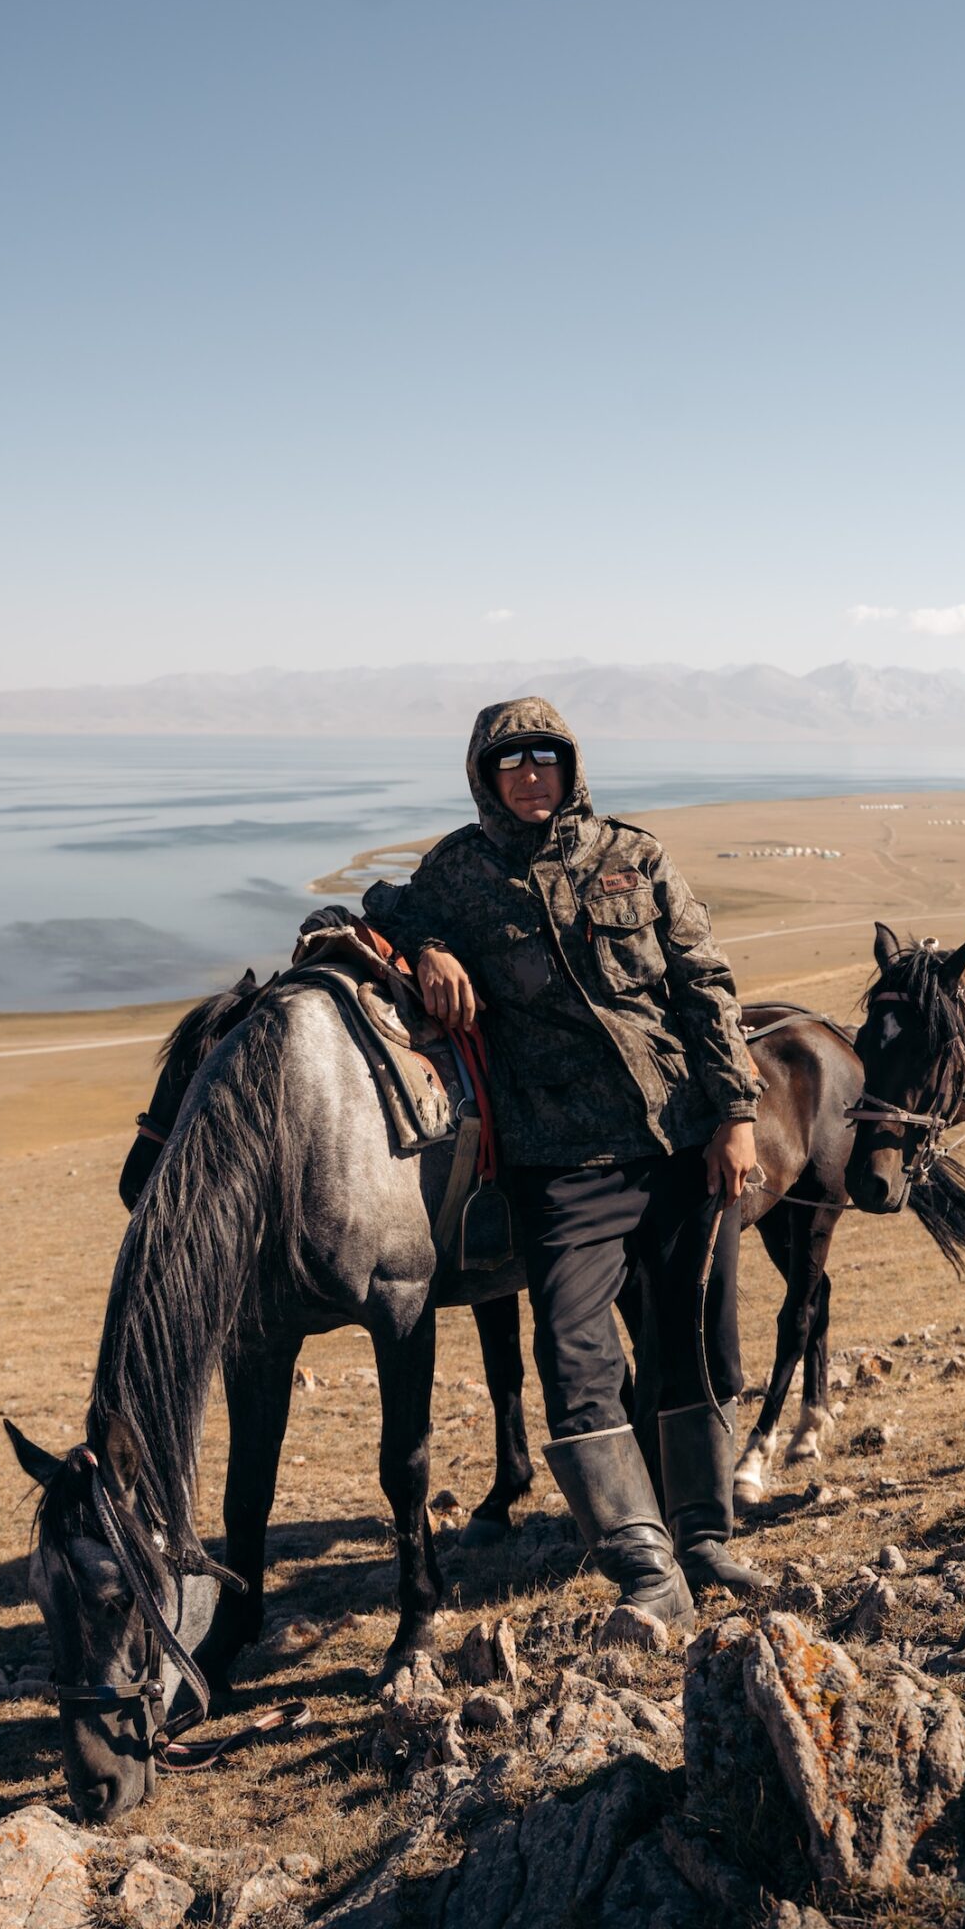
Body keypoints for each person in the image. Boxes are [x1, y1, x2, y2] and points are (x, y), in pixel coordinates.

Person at [373, 696, 764, 1629]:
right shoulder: (457, 872)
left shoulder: (634, 856)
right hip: (559, 1163)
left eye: (543, 756)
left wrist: (736, 1114)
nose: (529, 774)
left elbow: (703, 983)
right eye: (509, 761)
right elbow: (378, 909)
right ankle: (644, 1569)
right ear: (484, 777)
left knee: (695, 1342)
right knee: (574, 1359)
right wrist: (429, 945)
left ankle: (703, 1538)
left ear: (570, 764)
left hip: (678, 1140)